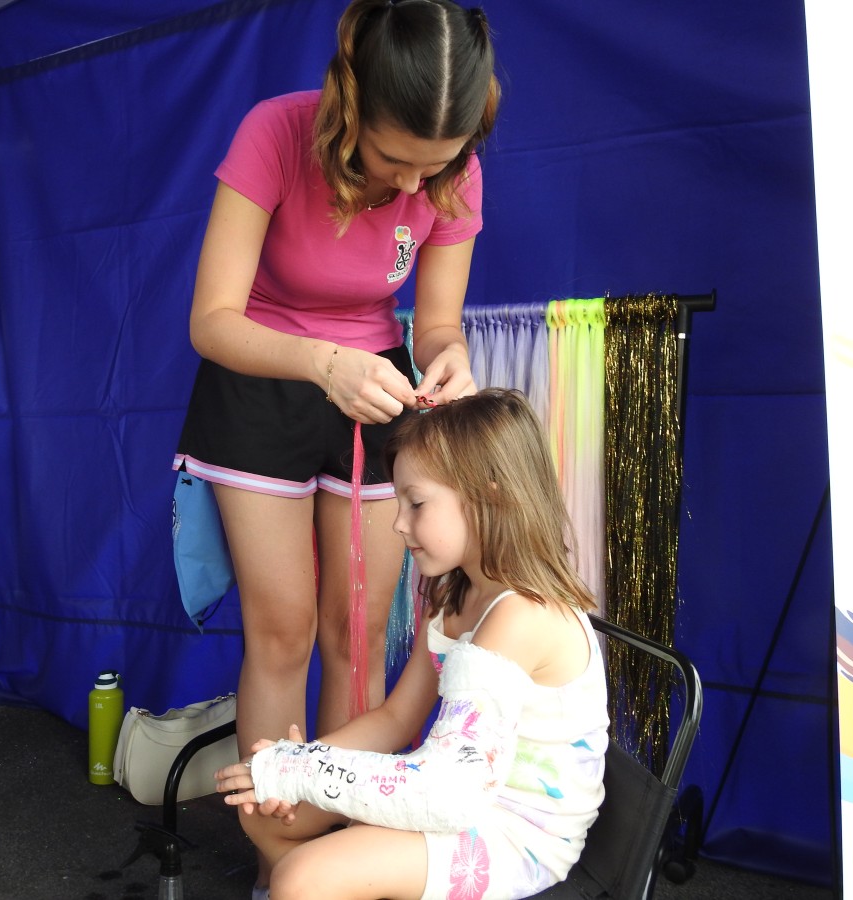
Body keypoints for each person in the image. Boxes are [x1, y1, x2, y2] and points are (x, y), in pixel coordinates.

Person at [175, 0, 499, 768]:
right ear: (353, 108)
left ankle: (342, 823)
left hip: (378, 385)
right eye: (394, 158)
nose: (415, 182)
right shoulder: (274, 133)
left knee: (358, 632)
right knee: (283, 632)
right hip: (258, 382)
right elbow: (212, 321)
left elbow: (437, 324)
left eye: (435, 164)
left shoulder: (455, 173)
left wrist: (450, 355)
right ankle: (273, 834)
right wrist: (324, 364)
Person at [215, 389, 610, 900]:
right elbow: (396, 719)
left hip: (514, 833)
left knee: (301, 877)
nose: (398, 522)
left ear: (489, 496)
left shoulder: (521, 615)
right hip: (459, 796)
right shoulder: (454, 595)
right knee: (263, 815)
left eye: (417, 503)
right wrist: (302, 759)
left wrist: (303, 771)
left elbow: (448, 792)